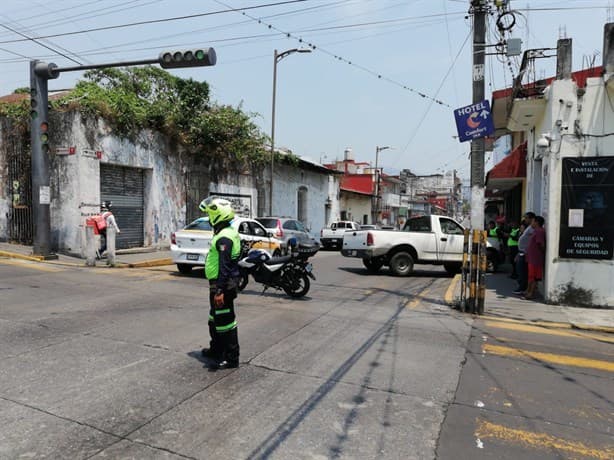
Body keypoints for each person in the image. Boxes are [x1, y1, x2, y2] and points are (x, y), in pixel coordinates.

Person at [199, 197, 241, 369]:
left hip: (222, 285)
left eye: (210, 215)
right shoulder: (225, 233)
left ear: (217, 216)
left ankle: (231, 358)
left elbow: (225, 267)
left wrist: (219, 291)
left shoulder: (225, 238)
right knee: (214, 319)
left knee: (226, 322)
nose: (209, 219)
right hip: (219, 284)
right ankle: (216, 349)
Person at [523, 215, 546, 300]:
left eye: (532, 221)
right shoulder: (536, 231)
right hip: (532, 257)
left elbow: (541, 244)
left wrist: (540, 253)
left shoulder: (539, 231)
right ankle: (528, 290)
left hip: (535, 258)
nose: (531, 223)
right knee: (530, 276)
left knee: (534, 277)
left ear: (537, 222)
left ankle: (531, 293)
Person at [513, 212, 535, 295]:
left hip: (525, 253)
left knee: (522, 272)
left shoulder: (532, 228)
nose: (524, 219)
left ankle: (522, 288)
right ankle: (522, 287)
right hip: (521, 252)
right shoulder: (528, 227)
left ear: (531, 219)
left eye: (526, 218)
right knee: (520, 271)